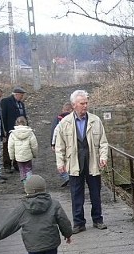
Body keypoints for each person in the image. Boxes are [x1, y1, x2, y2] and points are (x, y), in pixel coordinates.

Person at [55, 89, 109, 233]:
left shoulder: (95, 120)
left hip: (93, 162)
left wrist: (103, 157)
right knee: (76, 194)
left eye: (86, 103)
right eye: (82, 103)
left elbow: (103, 142)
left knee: (95, 193)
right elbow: (59, 146)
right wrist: (60, 163)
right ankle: (79, 223)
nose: (85, 106)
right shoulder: (65, 122)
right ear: (74, 105)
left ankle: (98, 219)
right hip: (74, 163)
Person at [0, 86, 28, 173]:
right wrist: (3, 130)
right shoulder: (6, 101)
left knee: (19, 148)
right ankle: (7, 166)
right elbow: (3, 116)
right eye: (21, 95)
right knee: (8, 147)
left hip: (20, 129)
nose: (22, 97)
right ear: (16, 94)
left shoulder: (21, 104)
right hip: (9, 129)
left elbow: (24, 116)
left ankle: (17, 165)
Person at [8, 116, 38, 184]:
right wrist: (34, 154)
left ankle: (25, 184)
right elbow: (34, 145)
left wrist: (12, 157)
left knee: (22, 170)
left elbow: (11, 147)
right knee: (28, 169)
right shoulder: (30, 133)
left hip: (19, 157)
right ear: (25, 122)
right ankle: (30, 183)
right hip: (28, 156)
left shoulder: (13, 134)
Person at [50, 101, 73, 187]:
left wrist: (52, 144)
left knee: (60, 161)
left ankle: (66, 176)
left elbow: (54, 131)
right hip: (70, 143)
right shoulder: (74, 118)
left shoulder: (58, 119)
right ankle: (71, 176)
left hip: (59, 143)